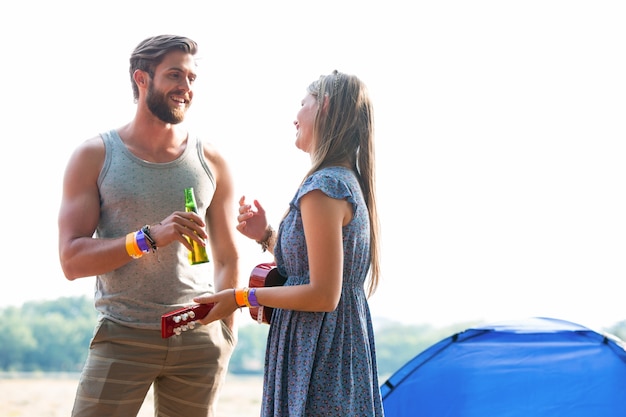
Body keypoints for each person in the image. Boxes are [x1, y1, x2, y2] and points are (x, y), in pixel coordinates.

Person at [57, 35, 240, 417]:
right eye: (175, 75)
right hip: (123, 335)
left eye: (192, 78)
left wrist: (225, 331)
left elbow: (227, 255)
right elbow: (71, 259)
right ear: (142, 79)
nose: (186, 88)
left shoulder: (212, 160)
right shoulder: (95, 155)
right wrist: (149, 238)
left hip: (198, 336)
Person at [195, 70, 384, 416]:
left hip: (317, 350)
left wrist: (239, 298)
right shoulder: (346, 181)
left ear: (324, 106)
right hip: (341, 344)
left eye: (303, 104)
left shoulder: (322, 187)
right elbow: (317, 266)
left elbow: (323, 294)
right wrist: (266, 235)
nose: (295, 116)